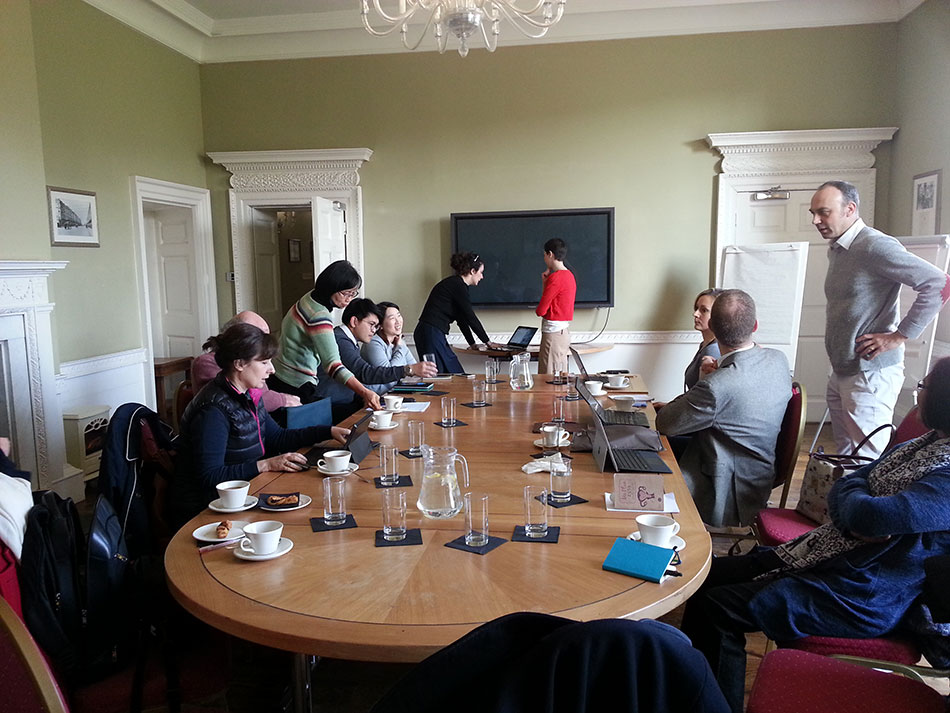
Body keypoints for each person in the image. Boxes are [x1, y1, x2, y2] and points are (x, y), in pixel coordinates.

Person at [680, 355, 950, 713]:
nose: (918, 394)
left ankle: (715, 705)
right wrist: (855, 503)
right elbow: (851, 484)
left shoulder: (946, 475)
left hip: (863, 594)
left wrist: (857, 502)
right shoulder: (921, 445)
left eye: (925, 386)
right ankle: (688, 689)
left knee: (717, 607)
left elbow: (870, 515)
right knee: (705, 575)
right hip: (832, 559)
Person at [812, 180, 950, 458]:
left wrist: (899, 336)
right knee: (846, 456)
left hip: (870, 373)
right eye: (813, 213)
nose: (816, 220)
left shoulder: (874, 246)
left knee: (867, 458)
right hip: (843, 369)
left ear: (850, 209)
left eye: (824, 212)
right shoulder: (838, 248)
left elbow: (939, 284)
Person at [172, 322, 347, 525]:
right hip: (207, 510)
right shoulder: (213, 410)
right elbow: (210, 476)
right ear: (239, 364)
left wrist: (329, 431)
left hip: (241, 495)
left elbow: (278, 437)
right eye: (264, 362)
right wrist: (266, 465)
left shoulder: (248, 395)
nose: (272, 369)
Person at [655, 290, 790, 527]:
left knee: (643, 456)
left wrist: (705, 380)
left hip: (727, 487)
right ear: (755, 325)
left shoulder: (716, 386)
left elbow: (665, 423)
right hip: (759, 472)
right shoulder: (778, 359)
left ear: (713, 330)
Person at [268, 260, 381, 411]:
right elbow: (333, 366)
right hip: (296, 383)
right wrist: (365, 392)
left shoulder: (309, 298)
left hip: (279, 372)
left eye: (353, 294)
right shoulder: (319, 315)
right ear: (331, 287)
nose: (349, 299)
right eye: (345, 293)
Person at [317, 299, 436, 421]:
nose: (374, 330)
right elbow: (365, 373)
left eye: (376, 326)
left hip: (343, 402)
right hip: (329, 407)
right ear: (354, 321)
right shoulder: (340, 340)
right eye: (371, 324)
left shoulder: (349, 340)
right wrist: (408, 370)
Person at [192, 310, 300, 412]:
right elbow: (239, 400)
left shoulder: (253, 367)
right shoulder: (206, 362)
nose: (265, 343)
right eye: (258, 336)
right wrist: (283, 400)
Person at [414, 252, 500, 373]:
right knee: (438, 374)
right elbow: (470, 317)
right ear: (472, 271)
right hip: (430, 333)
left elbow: (462, 319)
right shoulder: (457, 285)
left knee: (454, 372)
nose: (482, 277)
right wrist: (488, 342)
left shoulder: (457, 285)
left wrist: (472, 343)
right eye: (481, 272)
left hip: (431, 333)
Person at [535, 238, 577, 375]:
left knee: (547, 379)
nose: (544, 259)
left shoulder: (556, 278)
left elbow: (541, 311)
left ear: (550, 254)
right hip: (563, 333)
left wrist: (546, 283)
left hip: (552, 335)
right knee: (559, 378)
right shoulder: (569, 275)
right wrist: (545, 283)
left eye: (544, 255)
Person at [362, 301, 421, 392]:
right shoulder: (373, 343)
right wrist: (400, 348)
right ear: (380, 325)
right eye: (392, 318)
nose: (398, 321)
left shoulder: (399, 341)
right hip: (377, 396)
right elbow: (388, 376)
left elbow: (416, 370)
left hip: (396, 393)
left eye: (399, 316)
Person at [684, 288, 723, 390]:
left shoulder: (712, 350)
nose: (695, 314)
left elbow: (706, 394)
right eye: (696, 308)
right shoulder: (704, 345)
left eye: (704, 310)